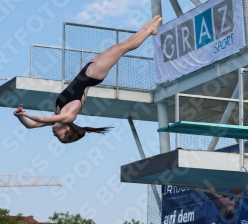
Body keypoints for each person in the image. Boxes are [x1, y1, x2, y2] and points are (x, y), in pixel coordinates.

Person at [13, 16, 162, 143]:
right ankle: (149, 30)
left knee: (120, 47)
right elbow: (42, 120)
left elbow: (30, 126)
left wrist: (20, 116)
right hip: (93, 75)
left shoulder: (56, 116)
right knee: (122, 48)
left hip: (87, 71)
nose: (54, 135)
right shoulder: (69, 115)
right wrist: (26, 114)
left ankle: (148, 29)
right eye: (59, 136)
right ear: (67, 129)